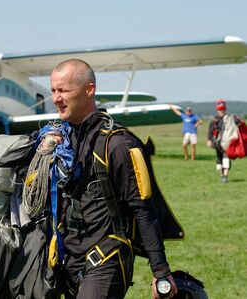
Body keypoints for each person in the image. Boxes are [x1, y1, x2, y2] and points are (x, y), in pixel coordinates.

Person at [49, 59, 178, 299]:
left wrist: (160, 271)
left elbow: (143, 209)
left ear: (89, 90)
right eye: (53, 91)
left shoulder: (118, 144)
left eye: (64, 90)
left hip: (105, 258)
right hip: (68, 256)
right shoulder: (61, 141)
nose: (56, 98)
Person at [206, 99, 241, 183]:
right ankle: (222, 175)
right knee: (219, 161)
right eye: (219, 109)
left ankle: (225, 176)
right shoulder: (214, 121)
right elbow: (210, 131)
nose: (221, 111)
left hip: (228, 144)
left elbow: (239, 124)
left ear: (225, 109)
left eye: (222, 109)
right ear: (217, 110)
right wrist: (209, 140)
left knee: (226, 159)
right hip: (217, 144)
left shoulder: (231, 119)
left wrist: (238, 121)